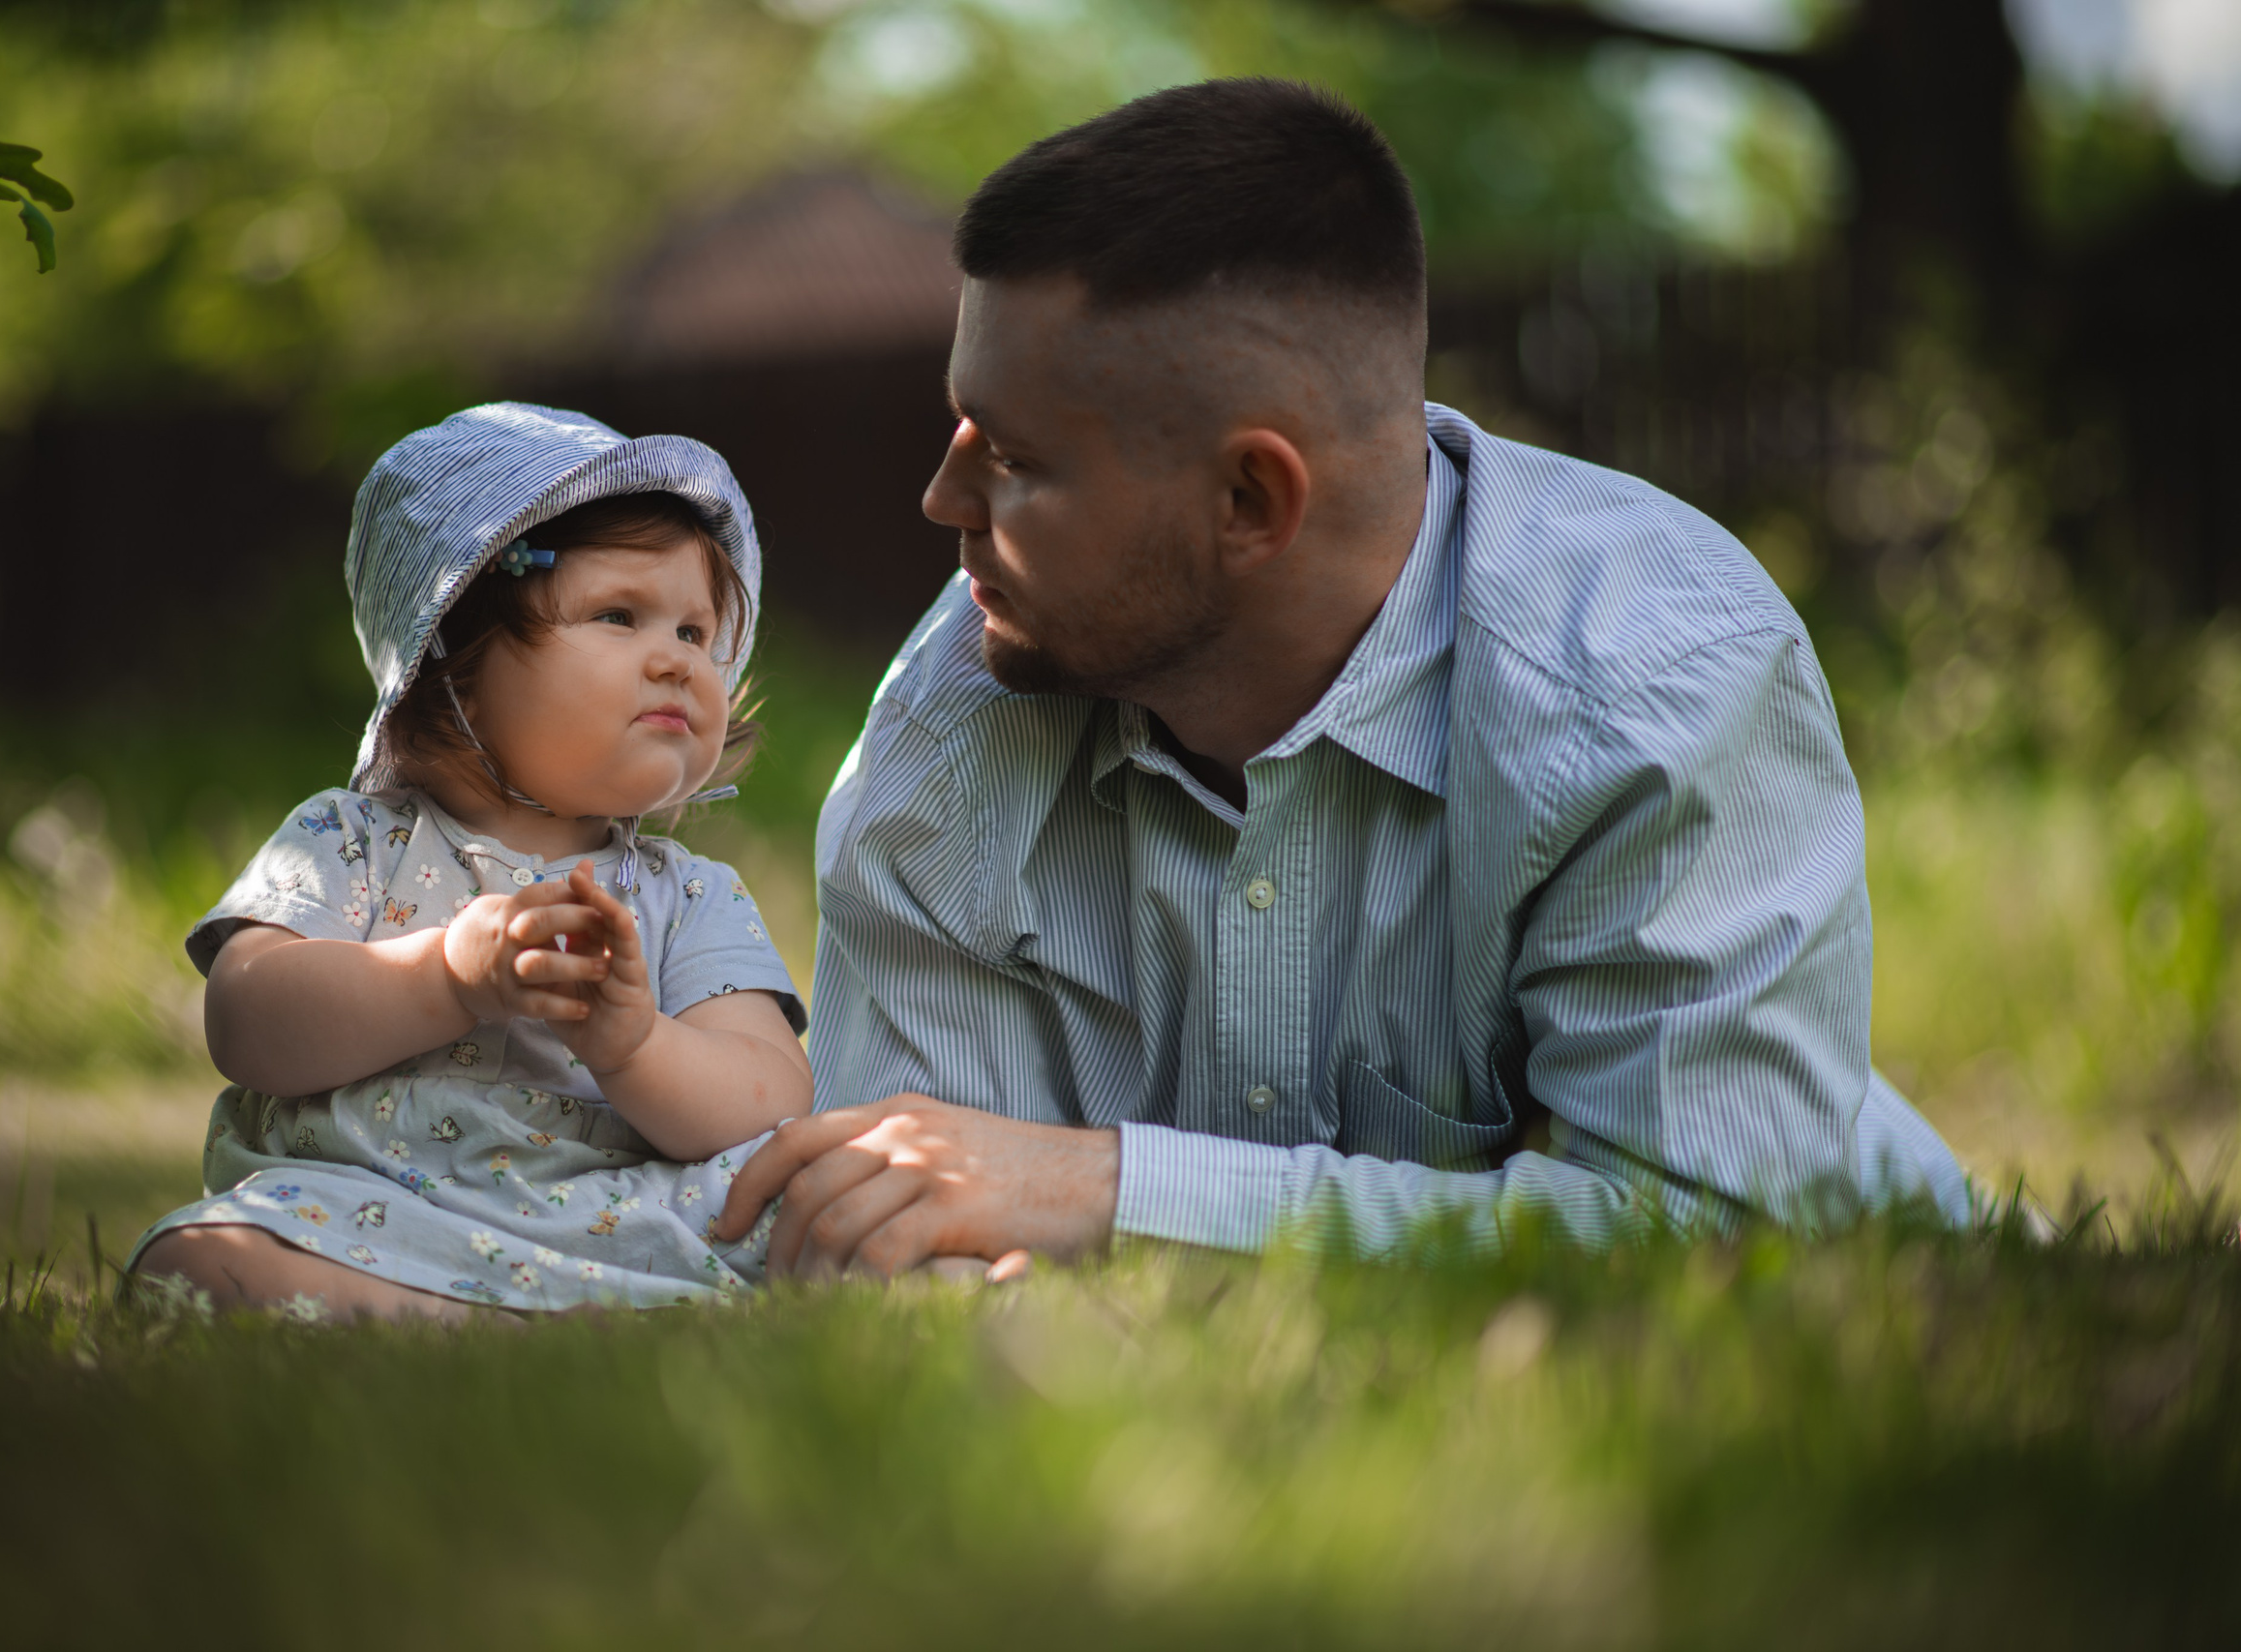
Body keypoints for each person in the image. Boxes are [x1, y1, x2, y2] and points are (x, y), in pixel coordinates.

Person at [714, 77, 1971, 1278]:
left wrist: (1105, 1190)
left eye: (1018, 460)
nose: (942, 497)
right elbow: (890, 1214)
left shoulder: (1650, 680)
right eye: (960, 426)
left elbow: (1712, 1237)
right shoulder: (955, 717)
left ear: (1253, 497)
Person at [131, 405, 812, 1318]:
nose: (678, 662)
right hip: (383, 1215)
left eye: (695, 633)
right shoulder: (353, 842)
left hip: (627, 1220)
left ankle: (539, 1314)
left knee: (835, 1189)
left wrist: (637, 1045)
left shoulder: (689, 894)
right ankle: (512, 1319)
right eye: (621, 615)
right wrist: (449, 974)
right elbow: (247, 1021)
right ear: (455, 658)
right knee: (197, 1256)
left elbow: (768, 1095)